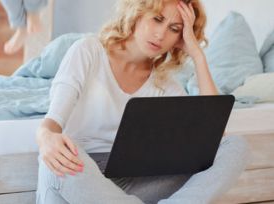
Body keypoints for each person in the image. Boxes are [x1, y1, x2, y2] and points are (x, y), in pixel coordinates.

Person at [35, 0, 249, 203]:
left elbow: (211, 139)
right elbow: (52, 124)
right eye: (157, 19)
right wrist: (46, 137)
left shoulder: (166, 85)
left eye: (174, 29)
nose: (161, 34)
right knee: (56, 161)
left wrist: (198, 56)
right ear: (137, 12)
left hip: (134, 182)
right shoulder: (88, 50)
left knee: (234, 146)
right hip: (82, 176)